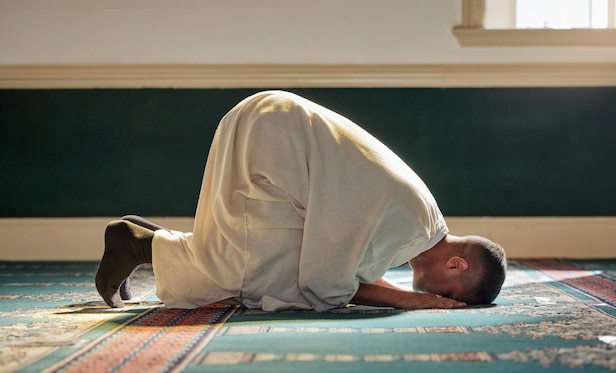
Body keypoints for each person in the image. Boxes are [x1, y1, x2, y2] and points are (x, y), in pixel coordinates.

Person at [96, 90, 506, 311]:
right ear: (456, 264)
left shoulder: (417, 223)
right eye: (448, 295)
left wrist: (408, 297)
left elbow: (342, 273)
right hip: (272, 135)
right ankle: (134, 243)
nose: (438, 299)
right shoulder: (409, 224)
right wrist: (409, 300)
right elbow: (326, 283)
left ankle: (150, 239)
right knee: (261, 278)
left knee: (257, 261)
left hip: (271, 124)